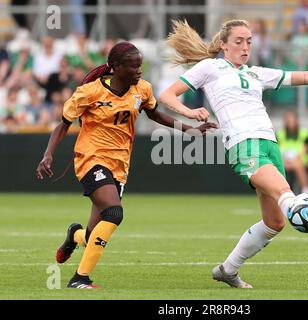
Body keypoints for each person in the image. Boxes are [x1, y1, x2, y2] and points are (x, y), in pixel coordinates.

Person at [159, 19, 308, 288]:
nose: (245, 46)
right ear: (223, 45)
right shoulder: (210, 67)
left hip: (269, 144)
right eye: (239, 41)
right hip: (243, 144)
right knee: (285, 193)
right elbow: (167, 95)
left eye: (249, 41)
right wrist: (190, 112)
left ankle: (228, 269)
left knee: (275, 222)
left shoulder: (256, 73)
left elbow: (307, 77)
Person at [35, 41, 216, 289]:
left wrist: (189, 130)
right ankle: (80, 279)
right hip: (91, 159)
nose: (139, 71)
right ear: (117, 68)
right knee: (114, 212)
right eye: (134, 66)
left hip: (119, 164)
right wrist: (48, 155)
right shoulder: (89, 92)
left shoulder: (141, 90)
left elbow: (154, 115)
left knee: (92, 236)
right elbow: (63, 124)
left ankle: (74, 236)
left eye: (140, 65)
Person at [277, 111, 308, 194]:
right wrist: (284, 160)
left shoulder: (304, 133)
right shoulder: (280, 134)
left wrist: (295, 158)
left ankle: (306, 189)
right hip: (284, 160)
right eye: (289, 120)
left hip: (299, 160)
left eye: (293, 120)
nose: (291, 123)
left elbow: (305, 148)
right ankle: (281, 191)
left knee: (297, 164)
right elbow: (278, 149)